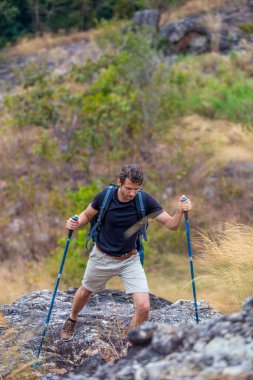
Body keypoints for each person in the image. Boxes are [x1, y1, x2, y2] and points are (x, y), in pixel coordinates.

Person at [60, 163, 192, 341]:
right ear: (119, 183)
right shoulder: (105, 196)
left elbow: (172, 225)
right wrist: (75, 223)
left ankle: (133, 342)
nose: (132, 193)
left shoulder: (143, 200)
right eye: (128, 188)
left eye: (136, 189)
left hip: (130, 259)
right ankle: (72, 319)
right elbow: (86, 215)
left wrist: (180, 211)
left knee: (144, 307)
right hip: (102, 257)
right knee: (85, 292)